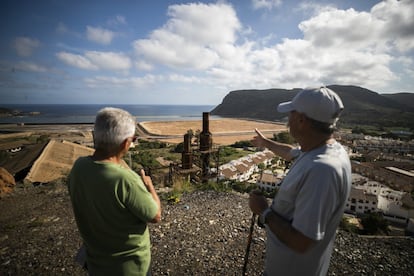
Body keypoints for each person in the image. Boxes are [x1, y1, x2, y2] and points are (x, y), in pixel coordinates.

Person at [249, 87, 352, 276]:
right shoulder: (324, 150)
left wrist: (264, 211)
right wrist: (266, 143)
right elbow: (290, 152)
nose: (288, 120)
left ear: (301, 120)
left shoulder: (322, 170)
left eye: (291, 113)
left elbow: (302, 241)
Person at [68, 107, 161, 276]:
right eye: (133, 139)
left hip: (96, 263)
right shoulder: (126, 179)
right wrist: (149, 186)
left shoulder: (79, 167)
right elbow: (155, 215)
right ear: (126, 143)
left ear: (95, 135)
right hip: (130, 267)